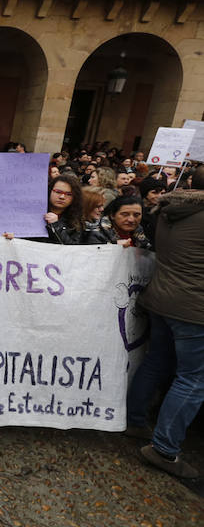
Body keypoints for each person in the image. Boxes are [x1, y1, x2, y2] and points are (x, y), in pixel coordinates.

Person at [127, 166, 204, 479]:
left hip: (161, 298)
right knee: (193, 379)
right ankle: (164, 448)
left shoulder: (169, 210)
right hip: (194, 308)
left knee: (157, 361)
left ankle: (135, 420)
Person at [82, 195, 151, 248]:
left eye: (136, 215)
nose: (131, 220)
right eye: (125, 214)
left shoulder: (143, 234)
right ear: (112, 215)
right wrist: (114, 247)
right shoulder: (96, 234)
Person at [43, 175, 84, 245]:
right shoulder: (36, 213)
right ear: (50, 191)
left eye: (68, 194)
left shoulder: (76, 221)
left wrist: (56, 225)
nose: (62, 197)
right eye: (58, 192)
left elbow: (73, 247)